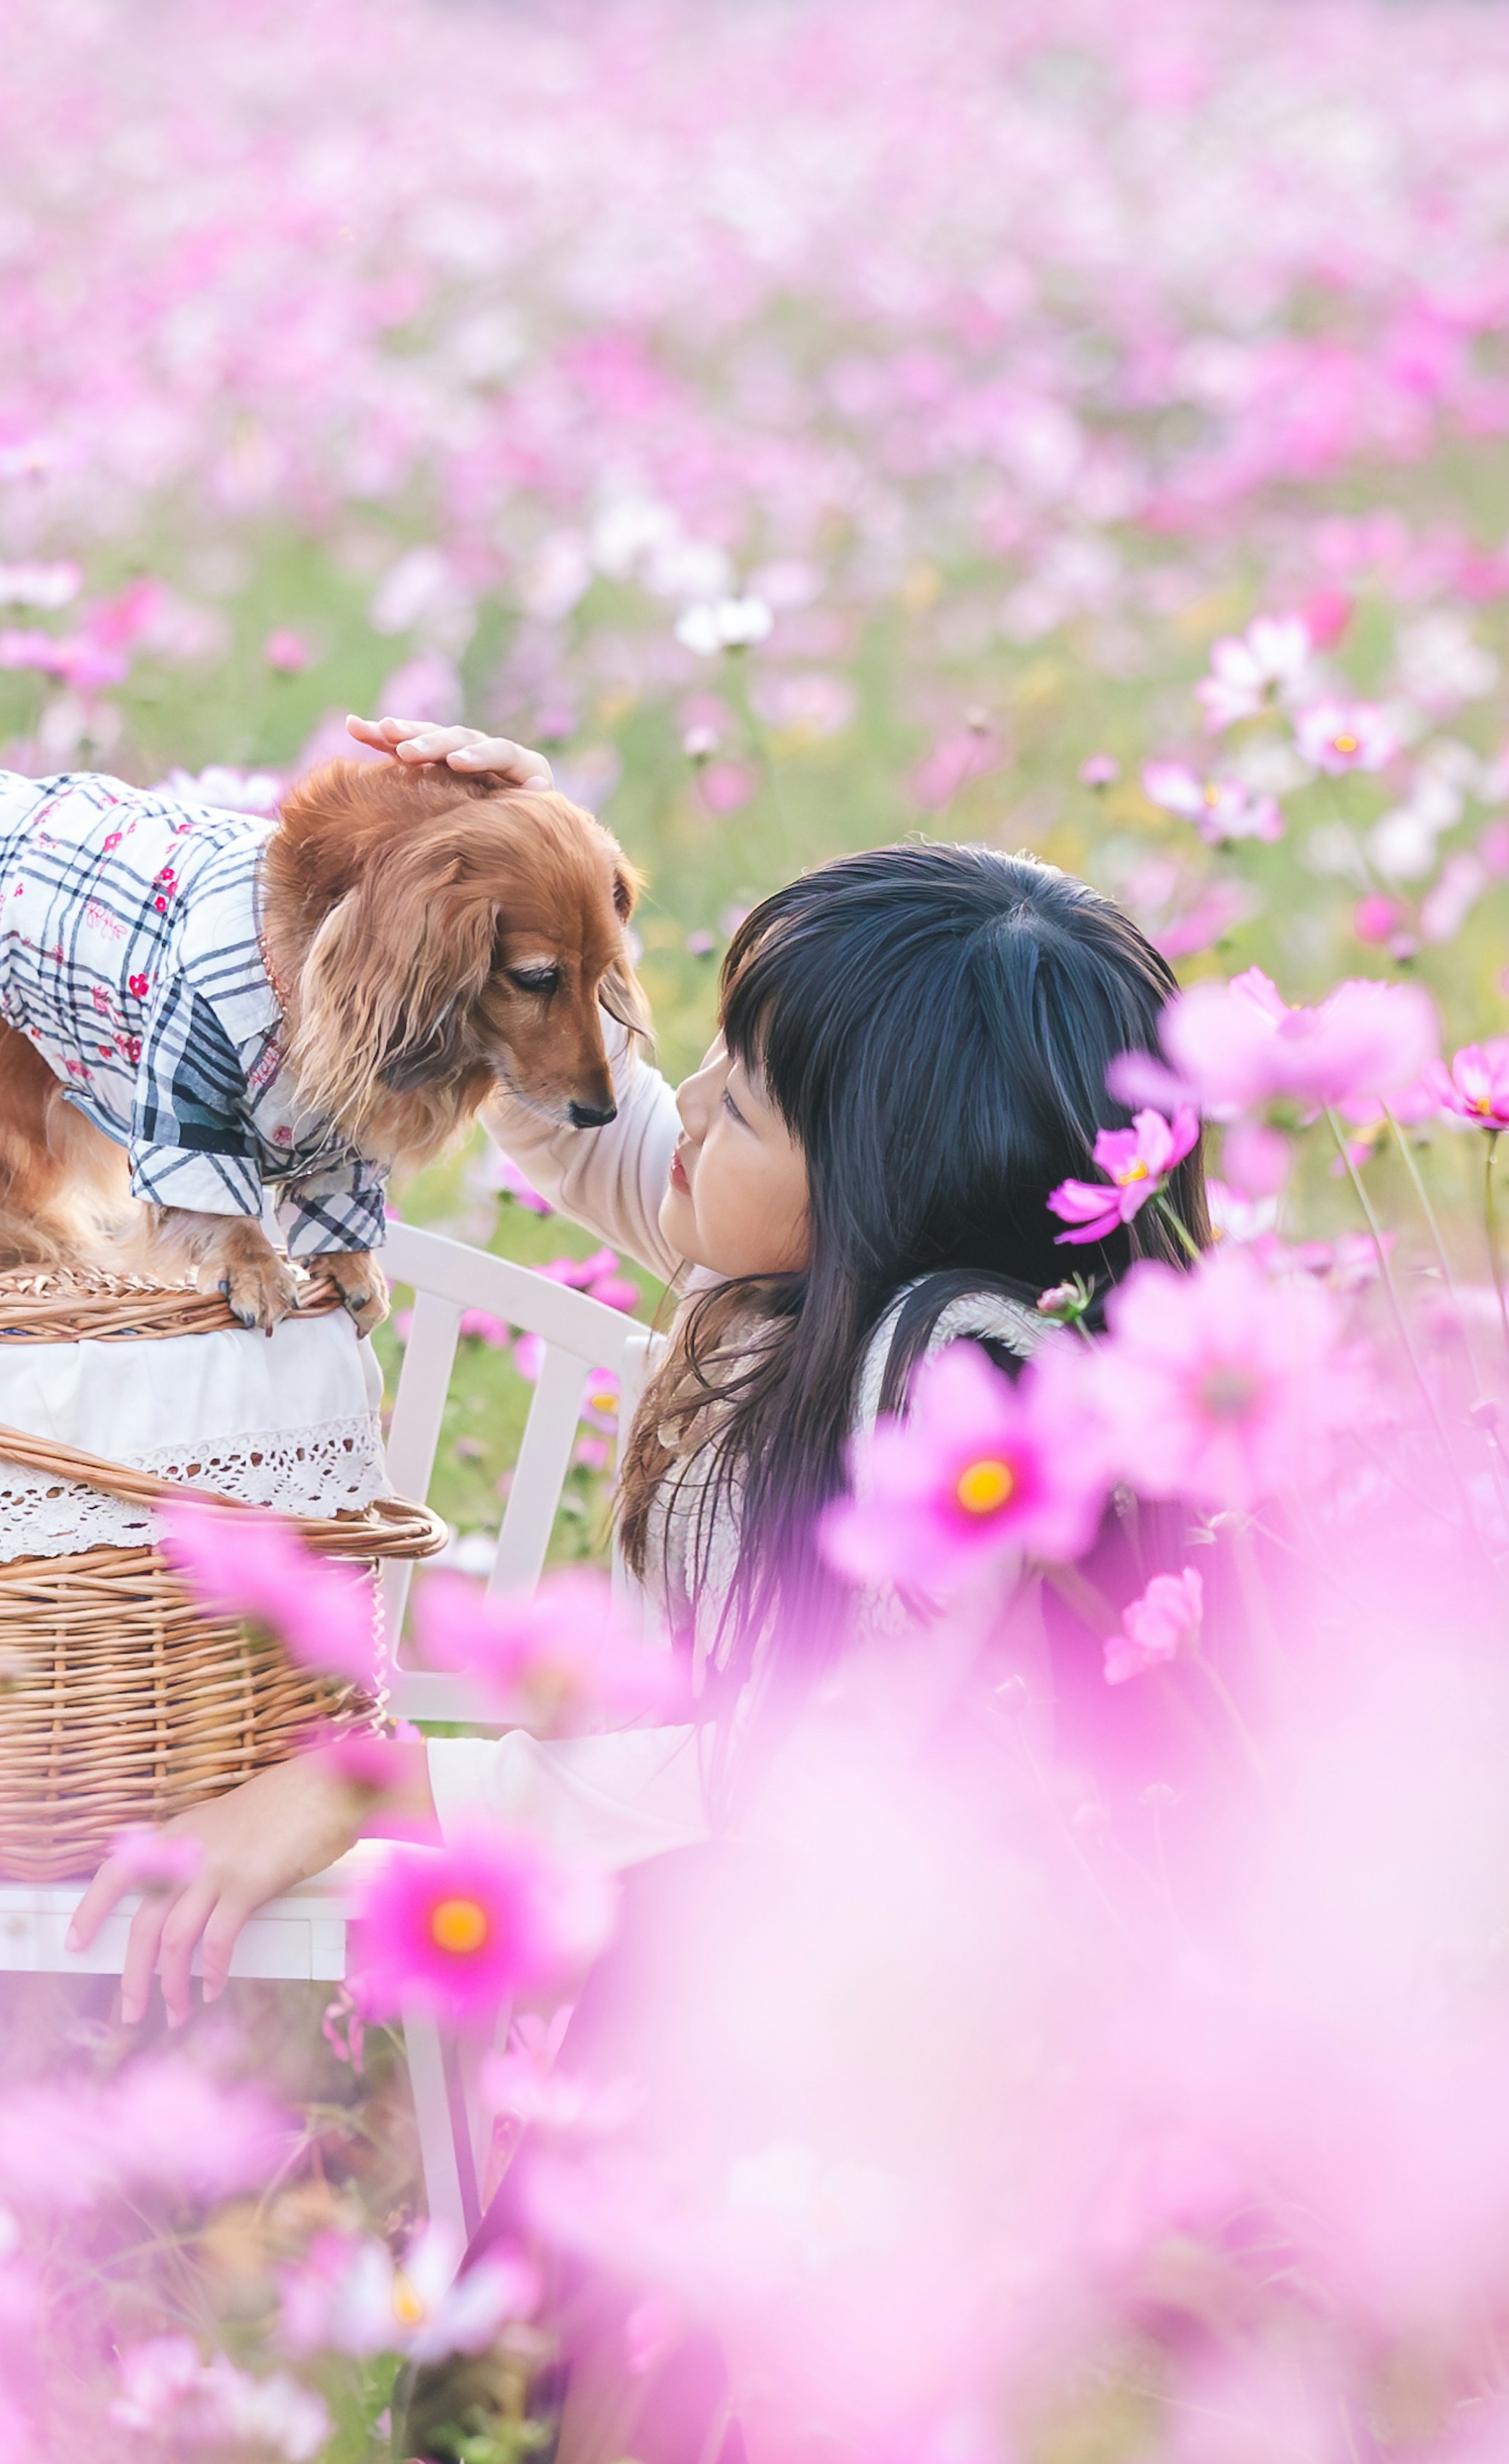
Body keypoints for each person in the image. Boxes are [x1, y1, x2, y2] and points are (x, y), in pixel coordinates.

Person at [67, 717, 1205, 2019]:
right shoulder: (801, 1270)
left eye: (751, 1099)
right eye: (720, 1053)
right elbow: (589, 1126)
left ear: (881, 1191)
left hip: (926, 2035)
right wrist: (513, 888)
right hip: (769, 1964)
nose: (692, 1099)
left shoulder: (965, 1386)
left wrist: (379, 1781)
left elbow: (801, 1774)